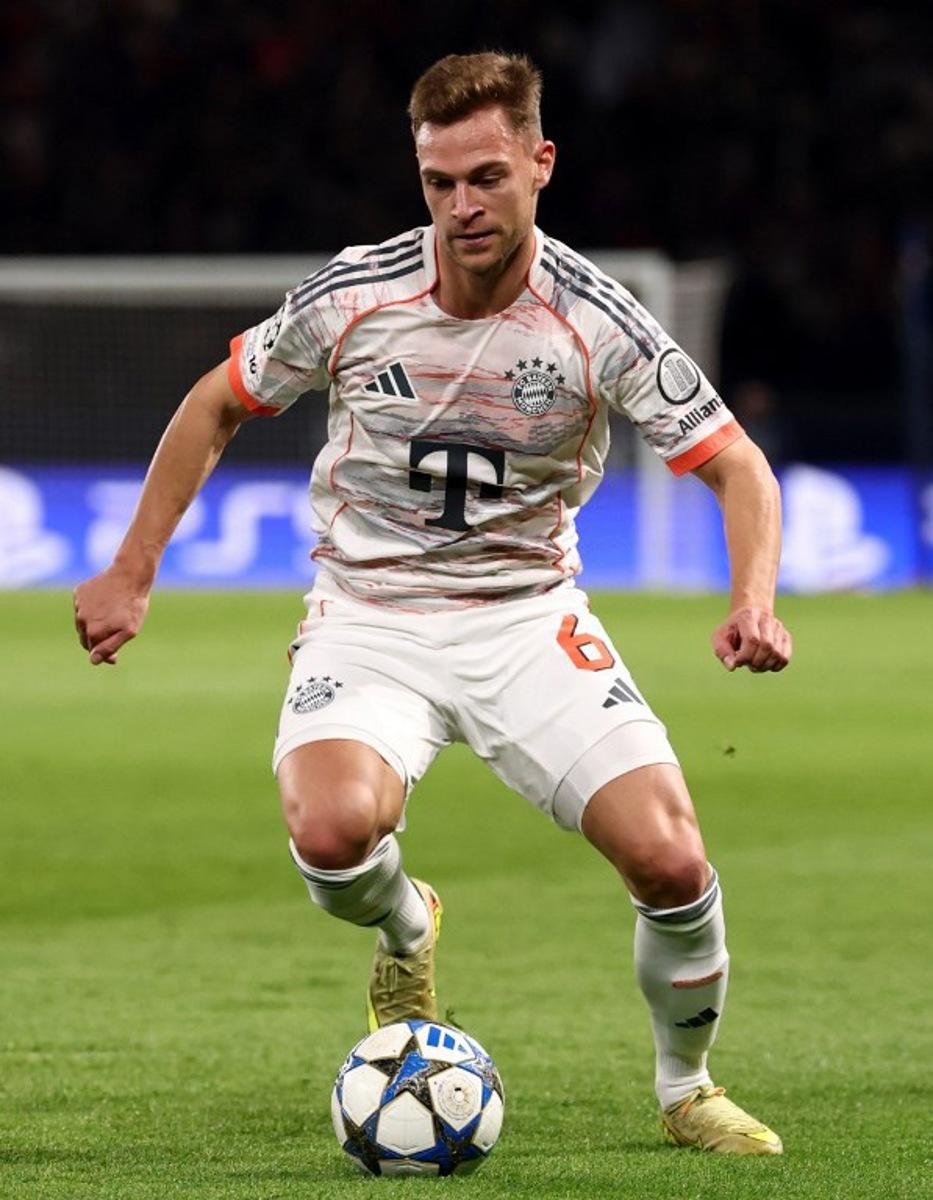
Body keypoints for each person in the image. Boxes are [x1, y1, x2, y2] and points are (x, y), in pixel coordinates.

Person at [73, 52, 792, 1155]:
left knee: (671, 860)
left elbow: (738, 465)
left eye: (488, 177)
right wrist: (133, 567)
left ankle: (686, 1087)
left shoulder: (596, 321)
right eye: (440, 181)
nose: (463, 206)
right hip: (368, 615)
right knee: (331, 835)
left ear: (540, 165)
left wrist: (755, 601)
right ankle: (408, 926)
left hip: (525, 618)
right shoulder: (356, 295)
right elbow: (218, 401)